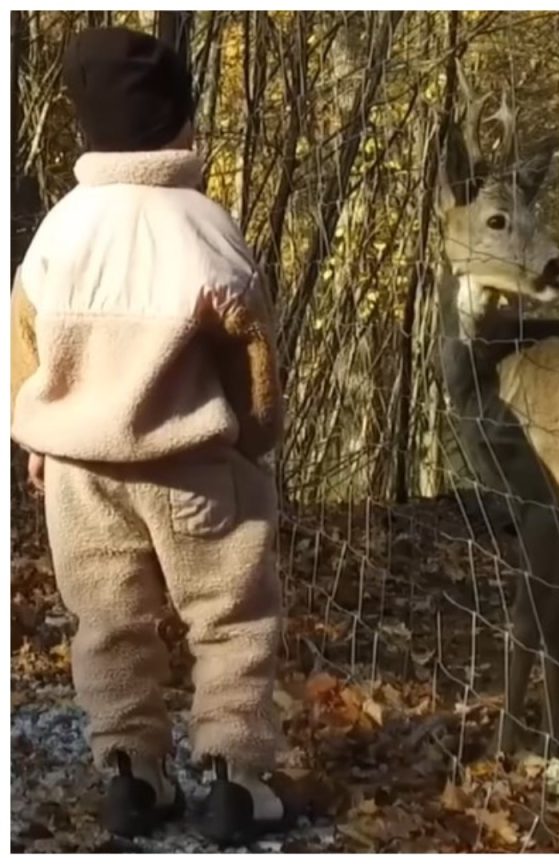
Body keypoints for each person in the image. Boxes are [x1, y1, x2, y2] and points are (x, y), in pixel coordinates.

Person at [10, 26, 288, 846]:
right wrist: (254, 441)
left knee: (108, 623)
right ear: (179, 123)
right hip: (194, 466)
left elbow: (21, 350)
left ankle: (131, 774)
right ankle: (237, 782)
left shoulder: (59, 231)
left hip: (79, 475)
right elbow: (255, 359)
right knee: (232, 619)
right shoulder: (205, 228)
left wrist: (36, 440)